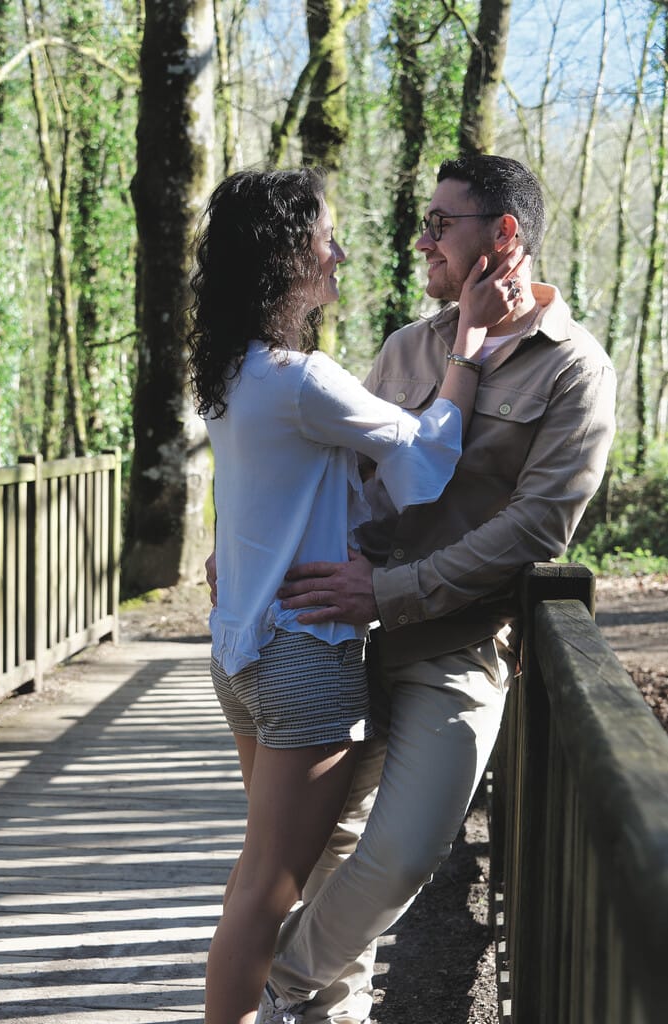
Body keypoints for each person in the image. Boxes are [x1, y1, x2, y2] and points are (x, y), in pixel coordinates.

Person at [242, 154, 617, 1024]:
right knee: (323, 848)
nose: (422, 242)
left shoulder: (575, 371)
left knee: (403, 855)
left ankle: (274, 980)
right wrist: (259, 549)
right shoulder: (411, 345)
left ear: (504, 236)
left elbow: (536, 528)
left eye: (441, 224)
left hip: (455, 646)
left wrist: (394, 590)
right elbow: (351, 485)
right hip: (337, 635)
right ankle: (321, 1012)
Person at [186, 166, 525, 1024]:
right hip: (303, 655)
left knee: (255, 871)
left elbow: (256, 493)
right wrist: (466, 351)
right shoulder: (302, 378)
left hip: (237, 654)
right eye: (323, 240)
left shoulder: (231, 372)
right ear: (284, 260)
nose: (338, 253)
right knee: (271, 886)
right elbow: (423, 460)